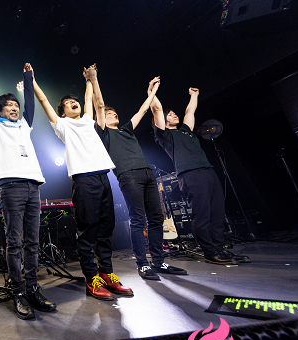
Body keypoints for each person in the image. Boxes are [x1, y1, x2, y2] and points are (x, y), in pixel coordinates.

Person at [32, 64, 133, 300]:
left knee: (106, 229)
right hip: (84, 180)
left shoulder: (88, 120)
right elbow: (44, 101)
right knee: (87, 232)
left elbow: (89, 98)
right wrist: (32, 81)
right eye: (68, 103)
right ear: (62, 112)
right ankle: (91, 278)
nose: (73, 103)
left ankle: (107, 273)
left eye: (73, 101)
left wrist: (89, 79)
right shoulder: (62, 125)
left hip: (103, 177)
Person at [0, 63, 56, 319]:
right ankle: (18, 292)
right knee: (15, 242)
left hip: (33, 185)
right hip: (10, 187)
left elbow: (30, 104)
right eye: (9, 105)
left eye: (16, 105)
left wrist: (28, 78)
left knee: (32, 242)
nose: (15, 108)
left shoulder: (24, 126)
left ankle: (32, 288)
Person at [92, 75, 188, 280]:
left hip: (147, 173)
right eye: (109, 113)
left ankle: (158, 261)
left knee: (156, 218)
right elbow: (98, 104)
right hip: (128, 175)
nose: (113, 113)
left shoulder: (126, 129)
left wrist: (152, 91)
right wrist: (93, 80)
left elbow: (143, 110)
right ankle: (143, 264)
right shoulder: (103, 133)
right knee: (137, 219)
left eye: (114, 112)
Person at [150, 86, 249, 264]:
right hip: (190, 174)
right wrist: (152, 92)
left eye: (174, 113)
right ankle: (210, 252)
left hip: (207, 170)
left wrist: (194, 95)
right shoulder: (164, 135)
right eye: (169, 114)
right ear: (163, 121)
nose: (174, 115)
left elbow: (190, 111)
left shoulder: (185, 131)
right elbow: (157, 109)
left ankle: (220, 249)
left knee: (217, 214)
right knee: (202, 215)